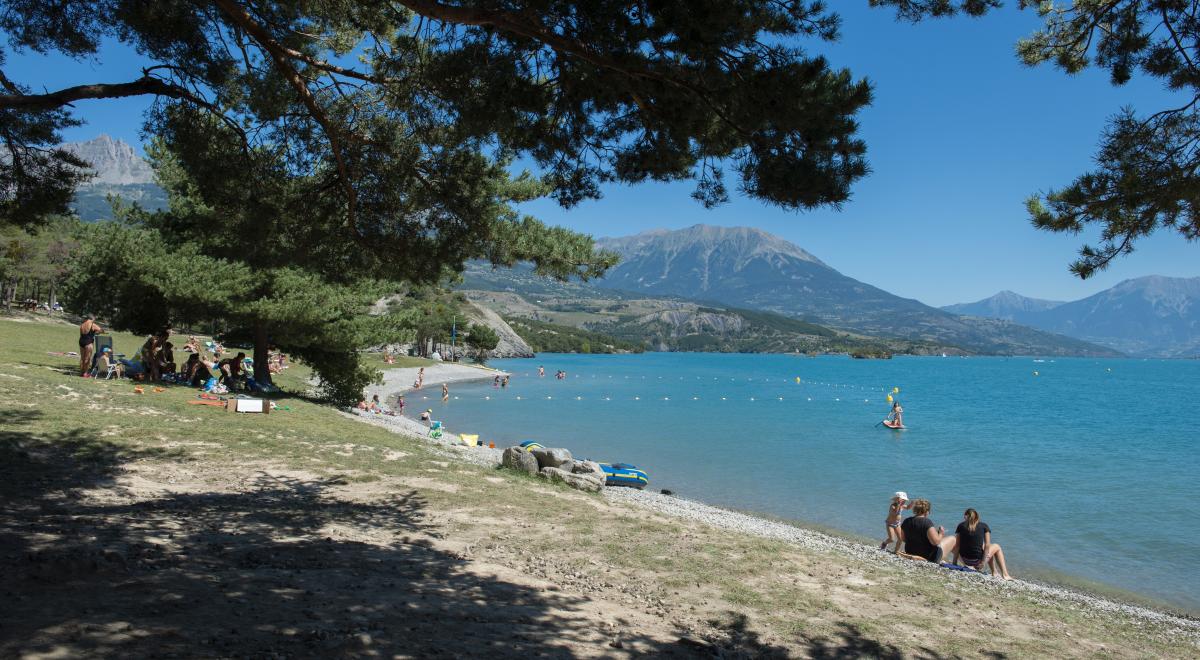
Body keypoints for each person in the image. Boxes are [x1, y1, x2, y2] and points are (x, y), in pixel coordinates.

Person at [954, 508, 1013, 580]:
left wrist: (954, 563)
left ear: (965, 516)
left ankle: (994, 572)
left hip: (965, 560)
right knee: (996, 547)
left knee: (985, 547)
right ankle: (1005, 574)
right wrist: (982, 562)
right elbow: (988, 545)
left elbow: (957, 545)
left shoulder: (960, 526)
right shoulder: (984, 526)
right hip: (977, 562)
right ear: (977, 516)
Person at [898, 498, 957, 563]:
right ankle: (957, 563)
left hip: (910, 551)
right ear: (927, 511)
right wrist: (941, 533)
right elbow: (936, 542)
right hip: (928, 556)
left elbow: (903, 539)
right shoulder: (927, 522)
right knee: (953, 539)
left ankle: (960, 562)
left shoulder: (907, 521)